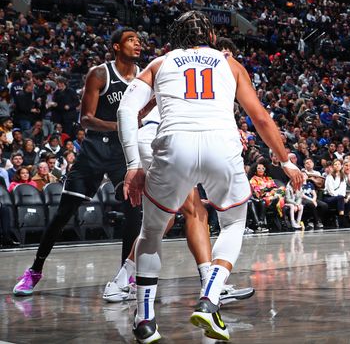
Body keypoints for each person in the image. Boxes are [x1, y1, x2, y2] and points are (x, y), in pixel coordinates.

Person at [117, 11, 302, 343]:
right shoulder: (230, 64)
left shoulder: (160, 64)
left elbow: (126, 110)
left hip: (174, 146)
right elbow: (259, 117)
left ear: (175, 36)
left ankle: (145, 319)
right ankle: (210, 296)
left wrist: (134, 164)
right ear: (213, 37)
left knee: (152, 231)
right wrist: (285, 160)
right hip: (221, 145)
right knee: (232, 223)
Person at [13, 29, 144, 297]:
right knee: (64, 213)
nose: (138, 43)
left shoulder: (143, 76)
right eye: (131, 39)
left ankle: (124, 278)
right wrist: (122, 125)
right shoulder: (100, 73)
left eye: (139, 40)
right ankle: (35, 270)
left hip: (123, 152)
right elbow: (86, 119)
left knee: (134, 209)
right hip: (94, 149)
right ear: (116, 46)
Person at [102, 106, 254, 306]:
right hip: (165, 138)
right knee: (195, 211)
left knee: (164, 220)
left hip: (152, 137)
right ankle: (211, 284)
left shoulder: (162, 78)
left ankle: (120, 281)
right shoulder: (198, 80)